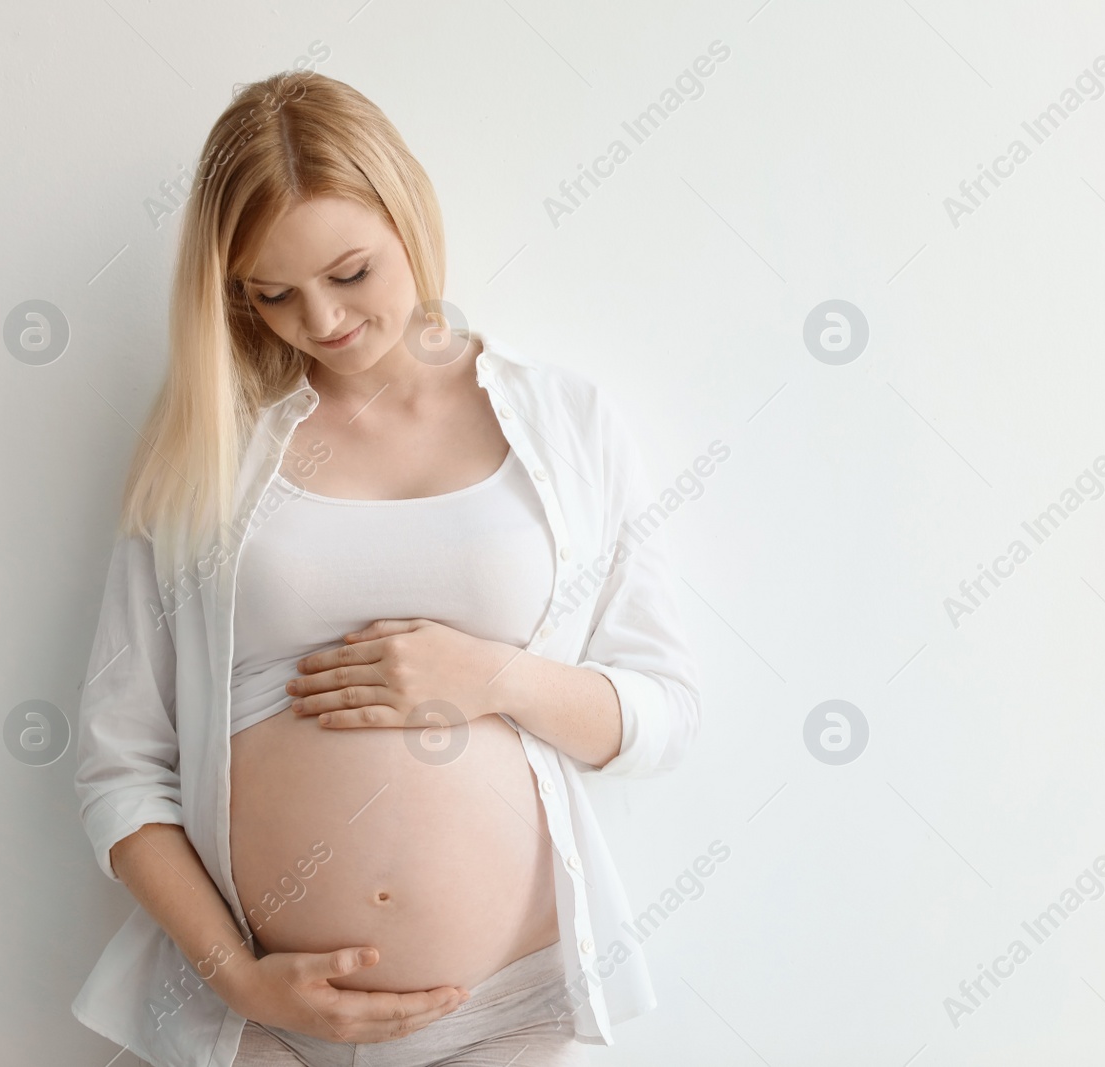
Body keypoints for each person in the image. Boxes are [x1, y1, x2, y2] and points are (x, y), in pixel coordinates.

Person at [69, 70, 702, 1067]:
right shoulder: (207, 450)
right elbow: (119, 768)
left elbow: (660, 713)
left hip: (507, 1005)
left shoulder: (568, 422)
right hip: (254, 1016)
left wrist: (492, 677)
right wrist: (235, 971)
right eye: (272, 294)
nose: (320, 320)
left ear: (408, 215)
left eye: (350, 272)